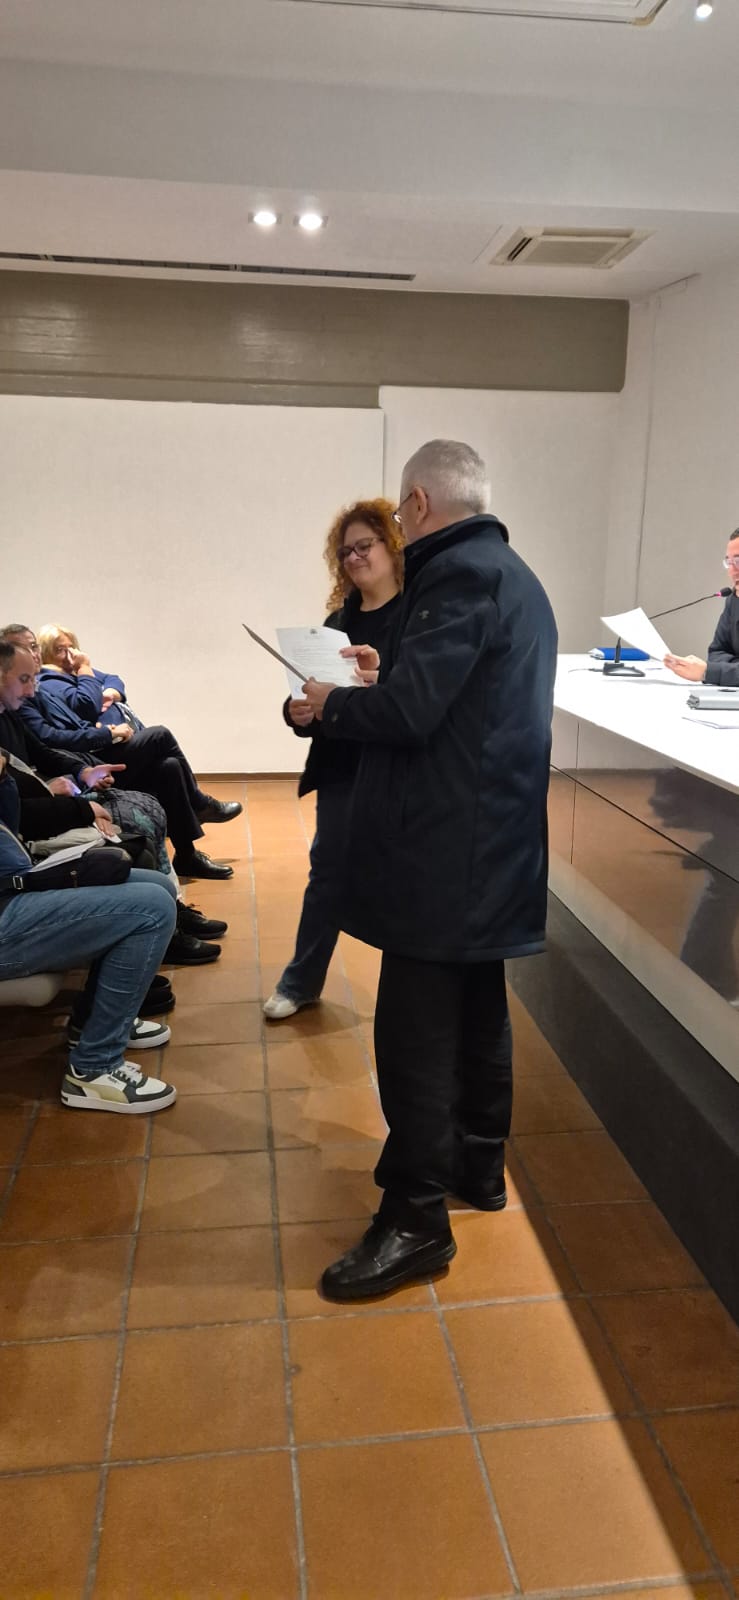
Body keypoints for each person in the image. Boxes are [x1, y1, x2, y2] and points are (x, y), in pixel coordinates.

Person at [302, 440, 557, 1301]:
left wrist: (335, 702)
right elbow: (458, 698)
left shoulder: (454, 575)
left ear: (415, 503)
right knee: (478, 1008)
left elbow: (412, 716)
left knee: (413, 1032)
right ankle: (475, 1167)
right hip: (489, 844)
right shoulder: (509, 573)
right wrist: (387, 674)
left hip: (445, 851)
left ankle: (413, 1219)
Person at [0, 641, 227, 965]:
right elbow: (20, 807)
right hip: (34, 833)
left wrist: (83, 771)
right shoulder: (43, 689)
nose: (31, 688)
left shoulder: (10, 712)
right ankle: (163, 927)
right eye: (24, 679)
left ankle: (173, 908)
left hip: (63, 787)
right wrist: (80, 803)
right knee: (136, 838)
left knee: (167, 770)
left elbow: (42, 752)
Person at [263, 498, 403, 1021]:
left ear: (393, 546)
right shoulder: (337, 622)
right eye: (345, 552)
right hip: (344, 765)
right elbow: (314, 697)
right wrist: (297, 712)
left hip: (399, 770)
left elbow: (420, 701)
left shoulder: (416, 617)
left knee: (400, 879)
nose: (354, 558)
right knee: (328, 873)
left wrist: (381, 681)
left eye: (364, 546)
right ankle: (300, 981)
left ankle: (409, 995)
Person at [0, 752, 178, 1113]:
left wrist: (3, 777)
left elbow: (13, 822)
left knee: (157, 885)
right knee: (151, 909)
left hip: (12, 885)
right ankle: (94, 1068)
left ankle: (90, 1022)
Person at [1, 623, 238, 880]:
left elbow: (111, 680)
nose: (32, 654)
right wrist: (106, 731)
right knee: (160, 735)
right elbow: (71, 719)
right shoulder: (47, 682)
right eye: (59, 649)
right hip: (87, 757)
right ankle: (200, 804)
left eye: (33, 646)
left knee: (169, 767)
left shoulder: (20, 701)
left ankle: (187, 855)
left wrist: (85, 768)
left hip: (87, 760)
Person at [664, 528, 739, 685]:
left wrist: (709, 672)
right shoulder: (734, 600)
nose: (732, 571)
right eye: (729, 562)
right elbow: (717, 652)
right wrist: (733, 670)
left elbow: (715, 665)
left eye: (738, 561)